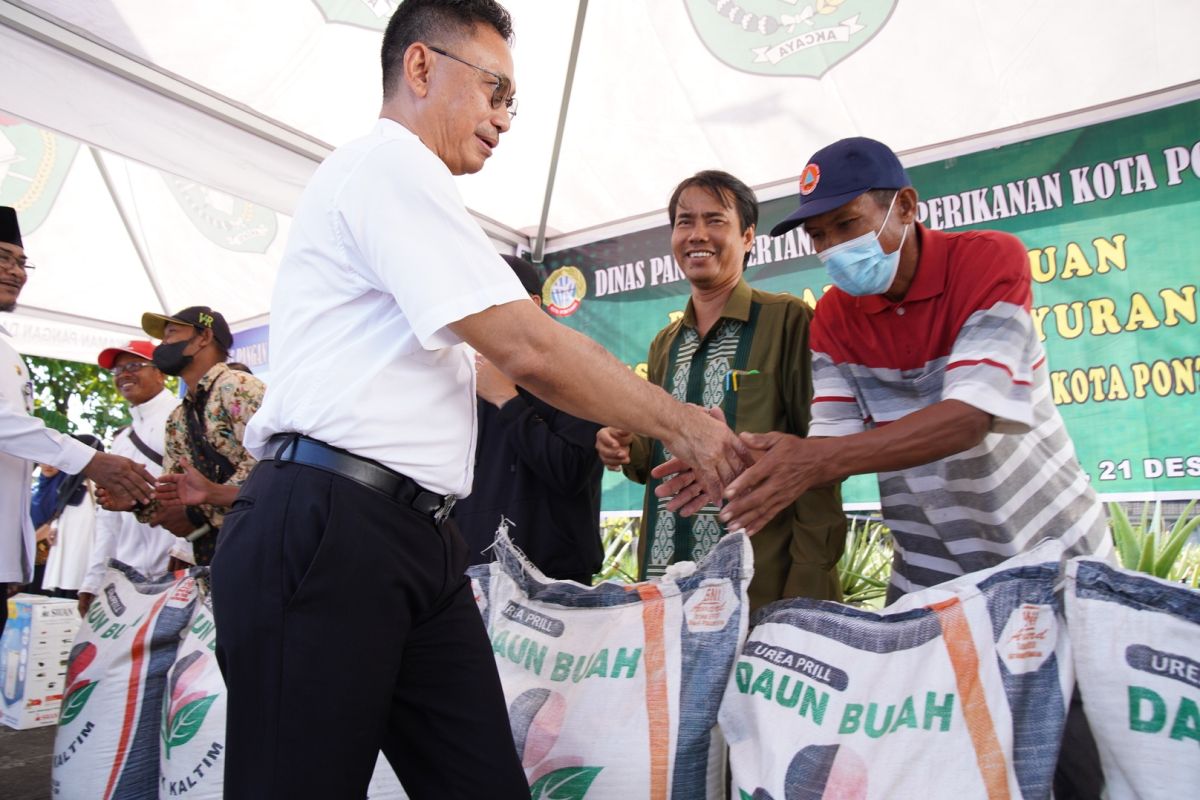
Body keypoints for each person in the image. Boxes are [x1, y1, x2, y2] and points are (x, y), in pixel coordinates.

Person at [211, 2, 745, 798]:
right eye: (493, 90)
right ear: (421, 67)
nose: (503, 118)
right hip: (330, 526)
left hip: (417, 540)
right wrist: (685, 426)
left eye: (513, 103)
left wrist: (665, 429)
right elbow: (528, 346)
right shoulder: (386, 168)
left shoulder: (418, 203)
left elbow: (511, 371)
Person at [661, 138, 1110, 598]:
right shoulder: (834, 316)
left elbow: (970, 418)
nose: (833, 247)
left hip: (1047, 553)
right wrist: (738, 455)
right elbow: (832, 446)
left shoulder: (987, 260)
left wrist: (812, 462)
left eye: (846, 224)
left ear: (906, 206)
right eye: (818, 235)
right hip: (929, 570)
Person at [595, 171, 846, 611]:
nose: (697, 235)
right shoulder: (664, 344)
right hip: (666, 588)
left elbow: (821, 459)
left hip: (759, 588)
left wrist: (808, 582)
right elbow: (653, 463)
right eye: (683, 221)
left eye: (715, 221)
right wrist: (625, 446)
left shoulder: (787, 321)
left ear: (748, 236)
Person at [0, 206, 155, 623]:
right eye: (3, 258)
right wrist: (88, 458)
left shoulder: (8, 349)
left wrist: (14, 559)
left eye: (21, 262)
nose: (16, 272)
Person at [454, 254, 603, 584]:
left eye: (492, 300)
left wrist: (506, 400)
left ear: (533, 306)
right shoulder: (464, 379)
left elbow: (569, 470)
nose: (480, 316)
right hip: (473, 578)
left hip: (555, 581)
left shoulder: (577, 373)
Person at [135, 306, 264, 565]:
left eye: (171, 333)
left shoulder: (238, 386)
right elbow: (176, 499)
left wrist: (211, 496)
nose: (163, 344)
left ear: (203, 337)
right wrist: (136, 500)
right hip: (215, 558)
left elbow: (272, 469)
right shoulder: (177, 418)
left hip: (261, 550)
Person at [78, 341, 195, 615]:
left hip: (178, 573)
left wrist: (183, 552)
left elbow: (197, 486)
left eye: (134, 365)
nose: (124, 374)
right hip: (129, 580)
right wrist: (93, 580)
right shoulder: (122, 440)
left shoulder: (182, 417)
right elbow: (108, 519)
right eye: (117, 370)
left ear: (160, 373)